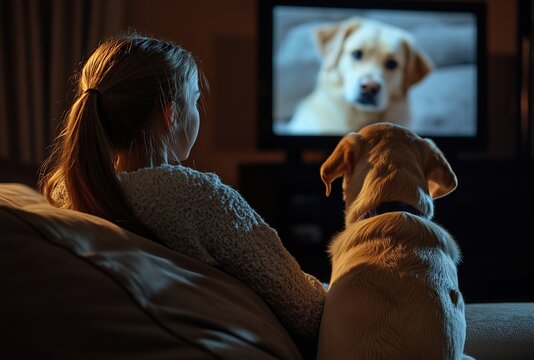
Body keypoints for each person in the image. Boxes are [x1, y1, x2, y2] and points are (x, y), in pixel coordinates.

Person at [39, 33, 326, 346]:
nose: (198, 112)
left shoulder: (71, 192)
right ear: (170, 115)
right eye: (195, 100)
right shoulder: (197, 198)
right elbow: (306, 311)